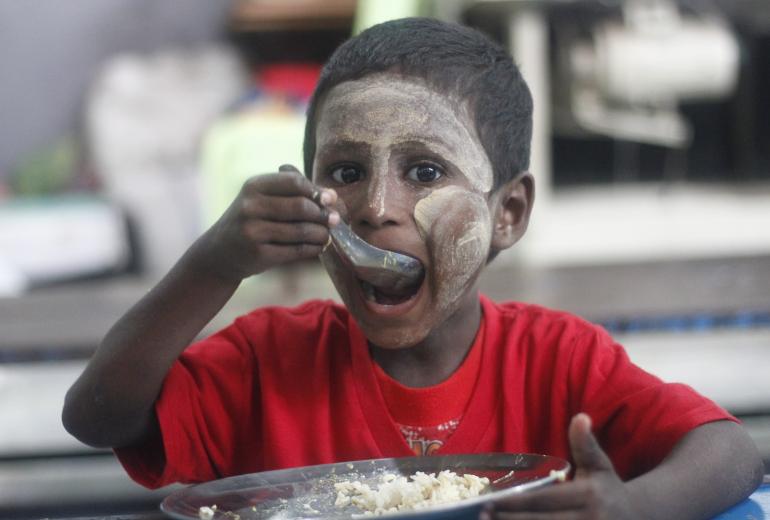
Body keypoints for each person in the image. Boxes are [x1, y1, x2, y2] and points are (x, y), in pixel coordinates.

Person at [63, 17, 763, 519]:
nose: (376, 208)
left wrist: (631, 508)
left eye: (424, 171)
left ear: (509, 214)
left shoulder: (557, 362)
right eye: (345, 172)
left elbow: (731, 454)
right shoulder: (267, 361)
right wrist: (212, 262)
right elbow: (97, 417)